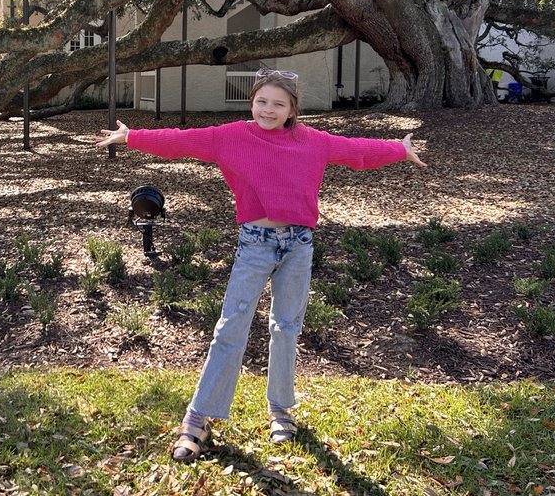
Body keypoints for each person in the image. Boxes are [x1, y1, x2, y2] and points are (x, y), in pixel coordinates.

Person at [95, 68, 425, 463]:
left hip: (298, 246)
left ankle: (281, 411)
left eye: (278, 104)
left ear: (292, 110)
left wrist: (398, 148)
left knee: (286, 327)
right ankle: (197, 419)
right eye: (262, 101)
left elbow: (356, 152)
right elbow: (181, 141)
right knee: (230, 327)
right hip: (255, 243)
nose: (268, 110)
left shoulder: (313, 141)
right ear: (251, 103)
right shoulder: (230, 136)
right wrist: (132, 136)